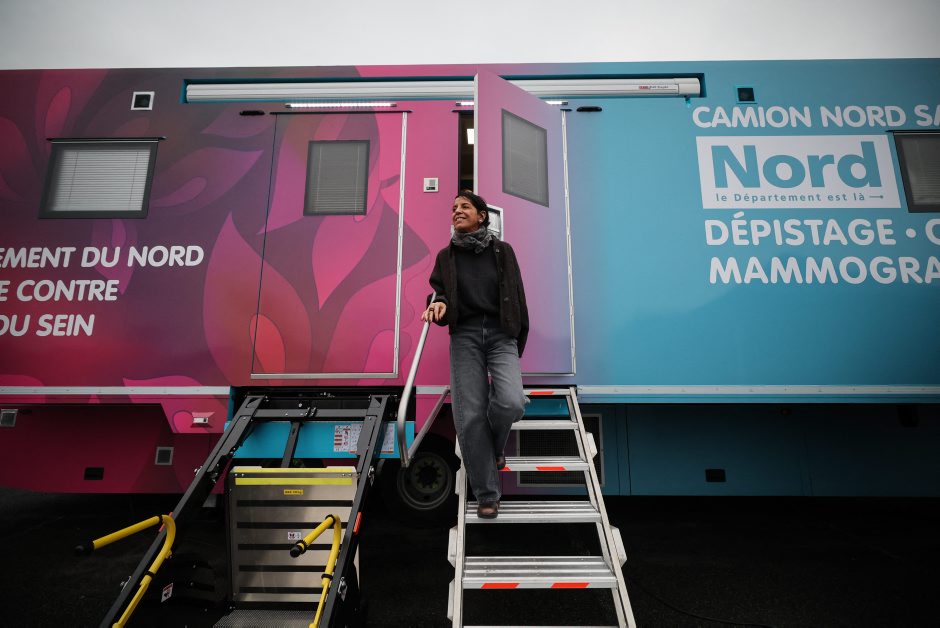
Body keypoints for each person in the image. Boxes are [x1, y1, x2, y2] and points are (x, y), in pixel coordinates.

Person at [422, 191, 529, 519]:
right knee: (470, 417)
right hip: (465, 336)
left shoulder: (502, 251)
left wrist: (518, 336)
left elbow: (517, 294)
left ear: (482, 215)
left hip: (500, 334)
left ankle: (494, 447)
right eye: (454, 208)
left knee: (512, 402)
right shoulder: (446, 256)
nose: (457, 211)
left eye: (464, 206)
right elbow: (439, 293)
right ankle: (487, 494)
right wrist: (437, 305)